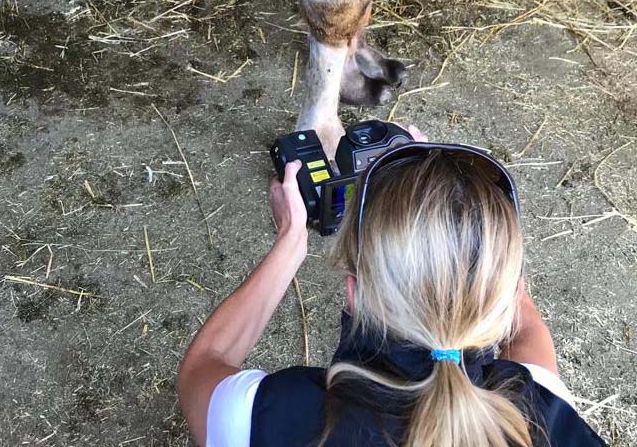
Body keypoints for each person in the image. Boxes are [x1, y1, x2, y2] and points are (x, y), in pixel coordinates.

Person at [177, 126, 607, 447]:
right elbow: (527, 328)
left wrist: (291, 242)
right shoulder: (544, 416)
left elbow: (202, 367)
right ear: (500, 298)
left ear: (353, 293)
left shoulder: (274, 417)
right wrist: (463, 228)